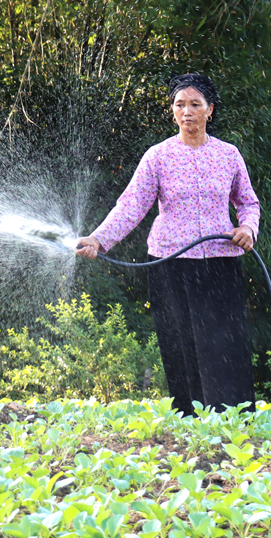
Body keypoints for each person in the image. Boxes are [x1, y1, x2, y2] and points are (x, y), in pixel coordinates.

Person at [76, 73, 260, 416]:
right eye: (179, 105)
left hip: (220, 260)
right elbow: (131, 205)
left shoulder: (228, 155)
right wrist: (99, 239)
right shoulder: (158, 157)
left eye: (195, 104)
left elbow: (248, 202)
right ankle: (190, 419)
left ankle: (234, 420)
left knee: (224, 341)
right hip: (170, 263)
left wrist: (248, 227)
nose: (186, 112)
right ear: (172, 111)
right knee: (180, 342)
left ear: (210, 110)